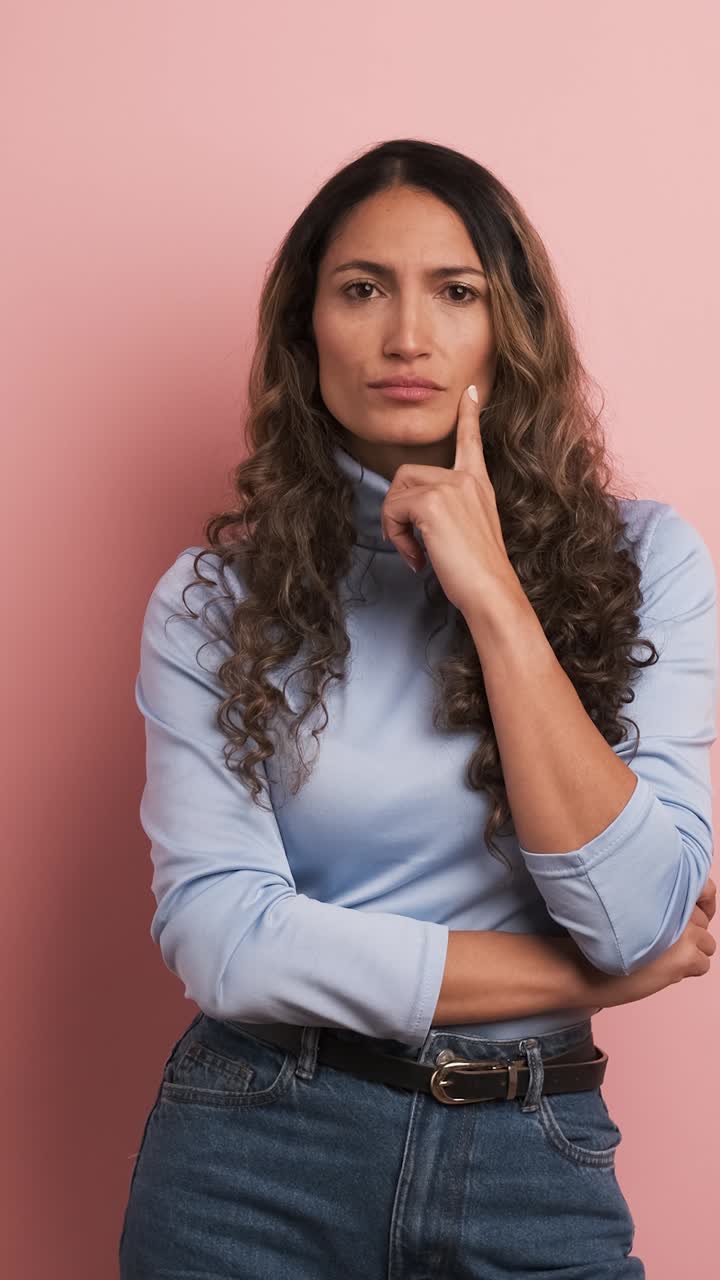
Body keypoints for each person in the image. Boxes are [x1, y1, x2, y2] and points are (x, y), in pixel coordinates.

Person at [119, 139, 717, 1278]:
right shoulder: (211, 600)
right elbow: (228, 944)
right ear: (307, 331)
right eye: (361, 290)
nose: (406, 335)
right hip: (252, 1157)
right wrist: (587, 980)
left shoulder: (653, 562)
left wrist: (494, 597)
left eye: (455, 291)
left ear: (512, 327)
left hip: (532, 1158)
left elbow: (638, 910)